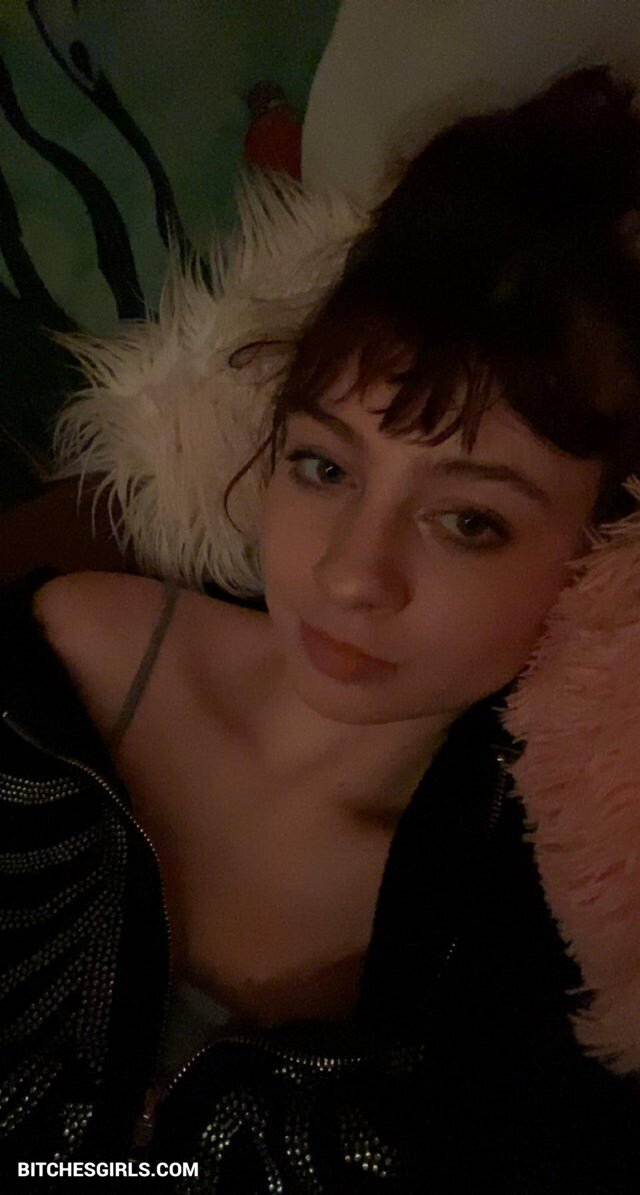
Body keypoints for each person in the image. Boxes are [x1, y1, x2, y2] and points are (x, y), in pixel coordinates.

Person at [1, 63, 640, 1192]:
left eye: (469, 521)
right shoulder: (54, 665)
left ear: (609, 553)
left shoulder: (561, 919)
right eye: (323, 466)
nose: (351, 574)